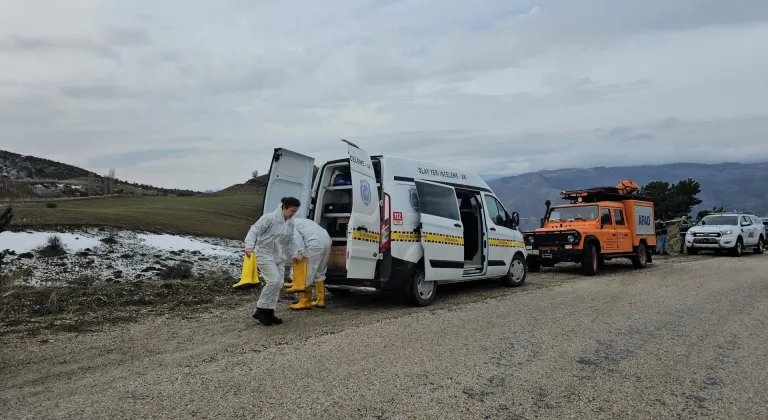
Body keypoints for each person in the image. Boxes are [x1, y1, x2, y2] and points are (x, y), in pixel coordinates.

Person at [244, 197, 305, 326]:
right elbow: (254, 230)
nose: (293, 214)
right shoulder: (269, 218)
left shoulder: (290, 223)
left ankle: (269, 312)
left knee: (279, 283)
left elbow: (290, 240)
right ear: (284, 207)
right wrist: (249, 246)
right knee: (274, 281)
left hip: (279, 256)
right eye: (292, 211)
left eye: (295, 212)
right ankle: (260, 309)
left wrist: (296, 253)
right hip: (264, 254)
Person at [284, 217, 332, 309]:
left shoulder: (286, 224)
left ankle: (305, 302)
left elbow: (296, 238)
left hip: (313, 242)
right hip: (326, 239)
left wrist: (299, 253)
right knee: (320, 271)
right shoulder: (299, 220)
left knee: (306, 272)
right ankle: (320, 300)